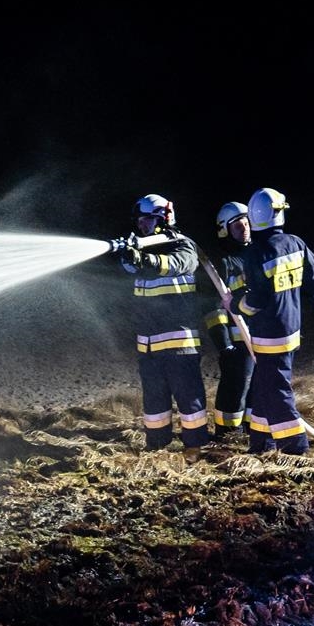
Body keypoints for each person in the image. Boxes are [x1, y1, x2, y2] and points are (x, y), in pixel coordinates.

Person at [233, 186, 314, 455]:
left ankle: (295, 447)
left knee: (276, 391)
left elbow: (256, 300)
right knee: (264, 387)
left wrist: (236, 305)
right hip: (291, 329)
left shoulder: (256, 253)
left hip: (268, 334)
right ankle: (262, 443)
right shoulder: (295, 243)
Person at [112, 193, 211, 451]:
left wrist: (146, 259)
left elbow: (178, 264)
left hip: (179, 344)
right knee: (154, 405)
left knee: (190, 401)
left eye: (146, 220)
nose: (141, 225)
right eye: (139, 221)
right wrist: (130, 256)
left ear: (163, 218)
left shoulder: (182, 245)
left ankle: (196, 448)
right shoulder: (143, 250)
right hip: (149, 347)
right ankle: (156, 447)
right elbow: (129, 268)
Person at [202, 199, 255, 444]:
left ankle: (251, 429)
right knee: (236, 385)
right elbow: (212, 306)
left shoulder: (257, 255)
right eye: (237, 225)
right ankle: (226, 434)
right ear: (225, 230)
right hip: (237, 340)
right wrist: (224, 344)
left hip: (260, 337)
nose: (244, 228)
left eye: (246, 223)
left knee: (257, 385)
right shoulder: (223, 262)